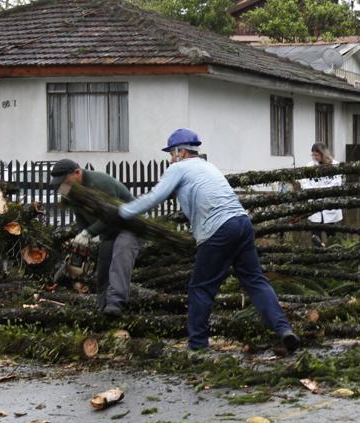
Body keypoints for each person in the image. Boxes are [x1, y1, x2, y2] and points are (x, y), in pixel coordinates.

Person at [118, 128, 300, 354]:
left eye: (171, 153)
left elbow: (155, 197)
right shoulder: (208, 166)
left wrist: (123, 212)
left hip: (218, 229)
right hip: (242, 223)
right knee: (255, 281)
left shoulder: (178, 168)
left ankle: (197, 346)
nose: (170, 158)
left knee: (200, 288)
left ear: (181, 151)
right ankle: (284, 330)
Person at [50, 159, 140, 317]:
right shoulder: (67, 189)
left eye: (65, 181)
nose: (63, 185)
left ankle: (116, 305)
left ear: (77, 173)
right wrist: (81, 235)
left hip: (130, 226)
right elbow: (79, 213)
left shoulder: (100, 183)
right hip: (109, 231)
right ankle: (102, 307)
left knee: (120, 257)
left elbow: (113, 214)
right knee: (103, 267)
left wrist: (88, 233)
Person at [298, 142, 343, 247]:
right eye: (313, 155)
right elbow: (304, 182)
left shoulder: (335, 165)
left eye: (316, 155)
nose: (314, 157)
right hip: (315, 206)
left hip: (330, 206)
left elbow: (336, 183)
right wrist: (314, 192)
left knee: (332, 236)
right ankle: (317, 257)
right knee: (315, 236)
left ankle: (334, 255)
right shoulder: (310, 166)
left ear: (323, 154)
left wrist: (321, 191)